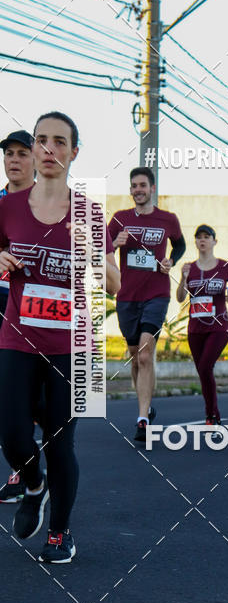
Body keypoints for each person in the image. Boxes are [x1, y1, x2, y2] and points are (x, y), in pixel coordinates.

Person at [0, 111, 120, 562]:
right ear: (33, 149)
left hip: (72, 347)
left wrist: (92, 255)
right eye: (41, 140)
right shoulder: (8, 206)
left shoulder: (89, 211)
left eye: (59, 142)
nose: (49, 149)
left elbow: (114, 285)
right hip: (16, 337)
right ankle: (33, 485)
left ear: (73, 153)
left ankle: (61, 533)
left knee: (59, 440)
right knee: (11, 434)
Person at [108, 167, 185, 442]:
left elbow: (180, 246)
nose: (138, 189)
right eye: (134, 185)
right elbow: (103, 250)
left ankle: (142, 419)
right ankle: (147, 405)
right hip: (127, 296)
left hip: (157, 294)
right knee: (134, 356)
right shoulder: (119, 219)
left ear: (152, 188)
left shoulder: (168, 219)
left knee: (144, 353)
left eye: (142, 185)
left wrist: (171, 261)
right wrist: (114, 243)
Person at [0, 129, 36, 504]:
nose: (13, 159)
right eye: (8, 153)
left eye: (21, 153)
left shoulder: (47, 205)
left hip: (32, 312)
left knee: (24, 397)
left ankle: (22, 474)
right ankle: (20, 468)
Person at [176, 225, 228, 425]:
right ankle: (210, 413)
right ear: (196, 242)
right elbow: (180, 297)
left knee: (205, 366)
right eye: (199, 237)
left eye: (207, 237)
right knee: (203, 371)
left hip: (218, 326)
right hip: (195, 328)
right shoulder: (189, 268)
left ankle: (212, 413)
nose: (203, 240)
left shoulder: (225, 267)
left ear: (214, 241)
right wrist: (183, 278)